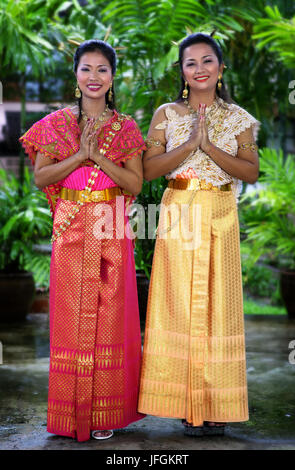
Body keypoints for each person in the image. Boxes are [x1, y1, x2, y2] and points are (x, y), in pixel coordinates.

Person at [19, 39, 146, 442]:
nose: (94, 77)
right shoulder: (54, 125)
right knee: (70, 321)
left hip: (110, 228)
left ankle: (104, 413)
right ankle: (71, 414)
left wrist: (100, 157)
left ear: (112, 77)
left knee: (109, 319)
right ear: (76, 75)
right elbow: (41, 177)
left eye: (102, 70)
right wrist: (78, 157)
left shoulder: (124, 127)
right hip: (71, 230)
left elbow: (135, 184)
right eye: (86, 69)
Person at [137, 33, 260, 436]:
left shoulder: (239, 118)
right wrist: (190, 143)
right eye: (191, 63)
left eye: (208, 61)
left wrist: (210, 148)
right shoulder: (166, 114)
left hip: (221, 212)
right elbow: (149, 171)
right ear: (183, 72)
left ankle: (216, 404)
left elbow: (250, 172)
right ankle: (181, 403)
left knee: (218, 306)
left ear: (221, 69)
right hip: (179, 211)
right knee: (178, 304)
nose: (200, 68)